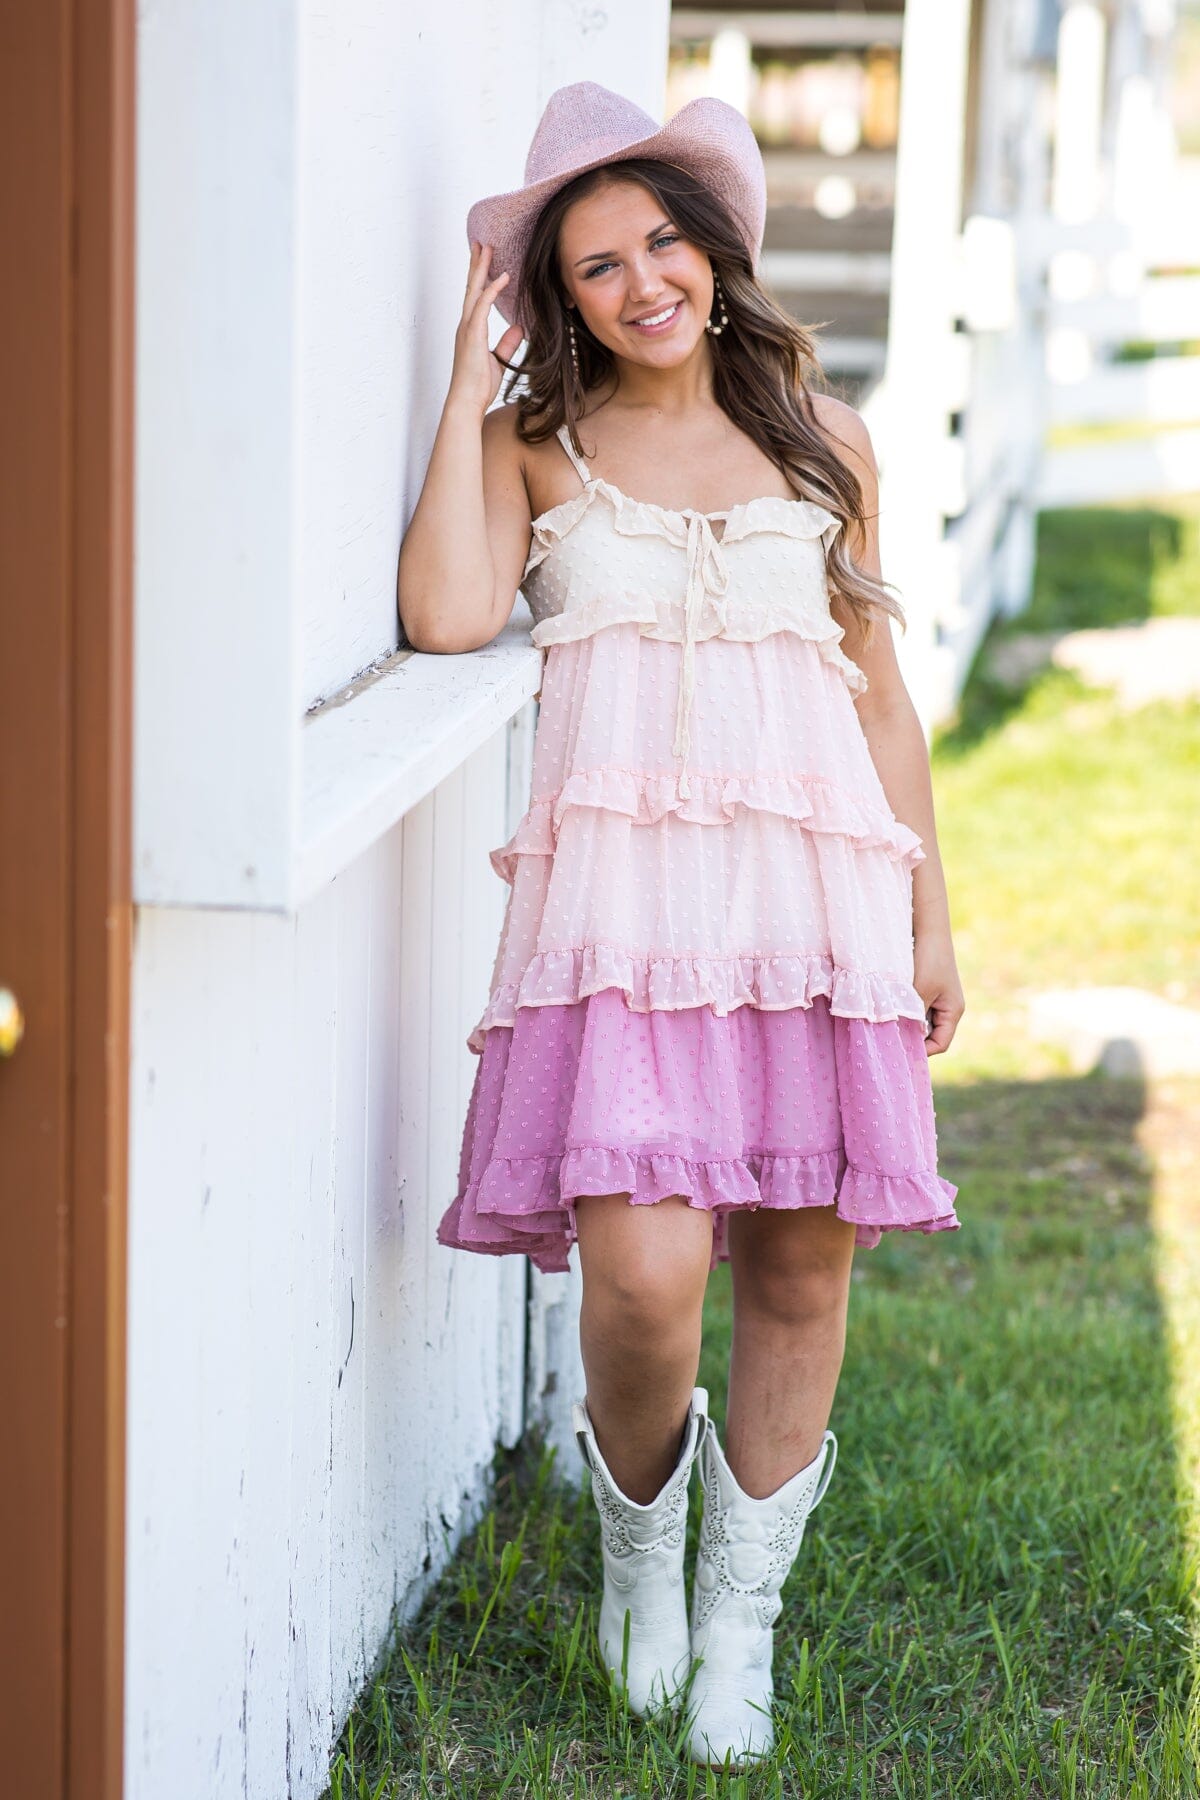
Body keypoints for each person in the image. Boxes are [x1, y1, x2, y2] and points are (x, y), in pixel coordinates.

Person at [397, 80, 964, 1772]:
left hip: (815, 916)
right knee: (642, 1280)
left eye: (662, 243)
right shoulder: (537, 453)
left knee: (800, 1264)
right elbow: (442, 616)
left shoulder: (821, 438)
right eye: (592, 266)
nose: (643, 283)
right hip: (629, 934)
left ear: (714, 251)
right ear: (552, 301)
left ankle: (742, 1625)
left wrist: (931, 915)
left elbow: (880, 702)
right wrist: (458, 385)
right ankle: (639, 1557)